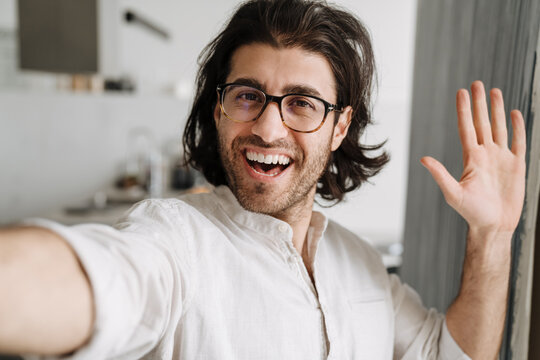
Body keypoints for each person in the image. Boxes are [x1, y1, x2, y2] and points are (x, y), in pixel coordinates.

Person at [0, 0, 526, 359]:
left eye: (301, 103)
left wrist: (493, 235)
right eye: (248, 96)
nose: (268, 128)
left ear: (340, 125)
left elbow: (452, 353)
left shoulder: (361, 265)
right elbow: (94, 278)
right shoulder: (176, 244)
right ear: (219, 110)